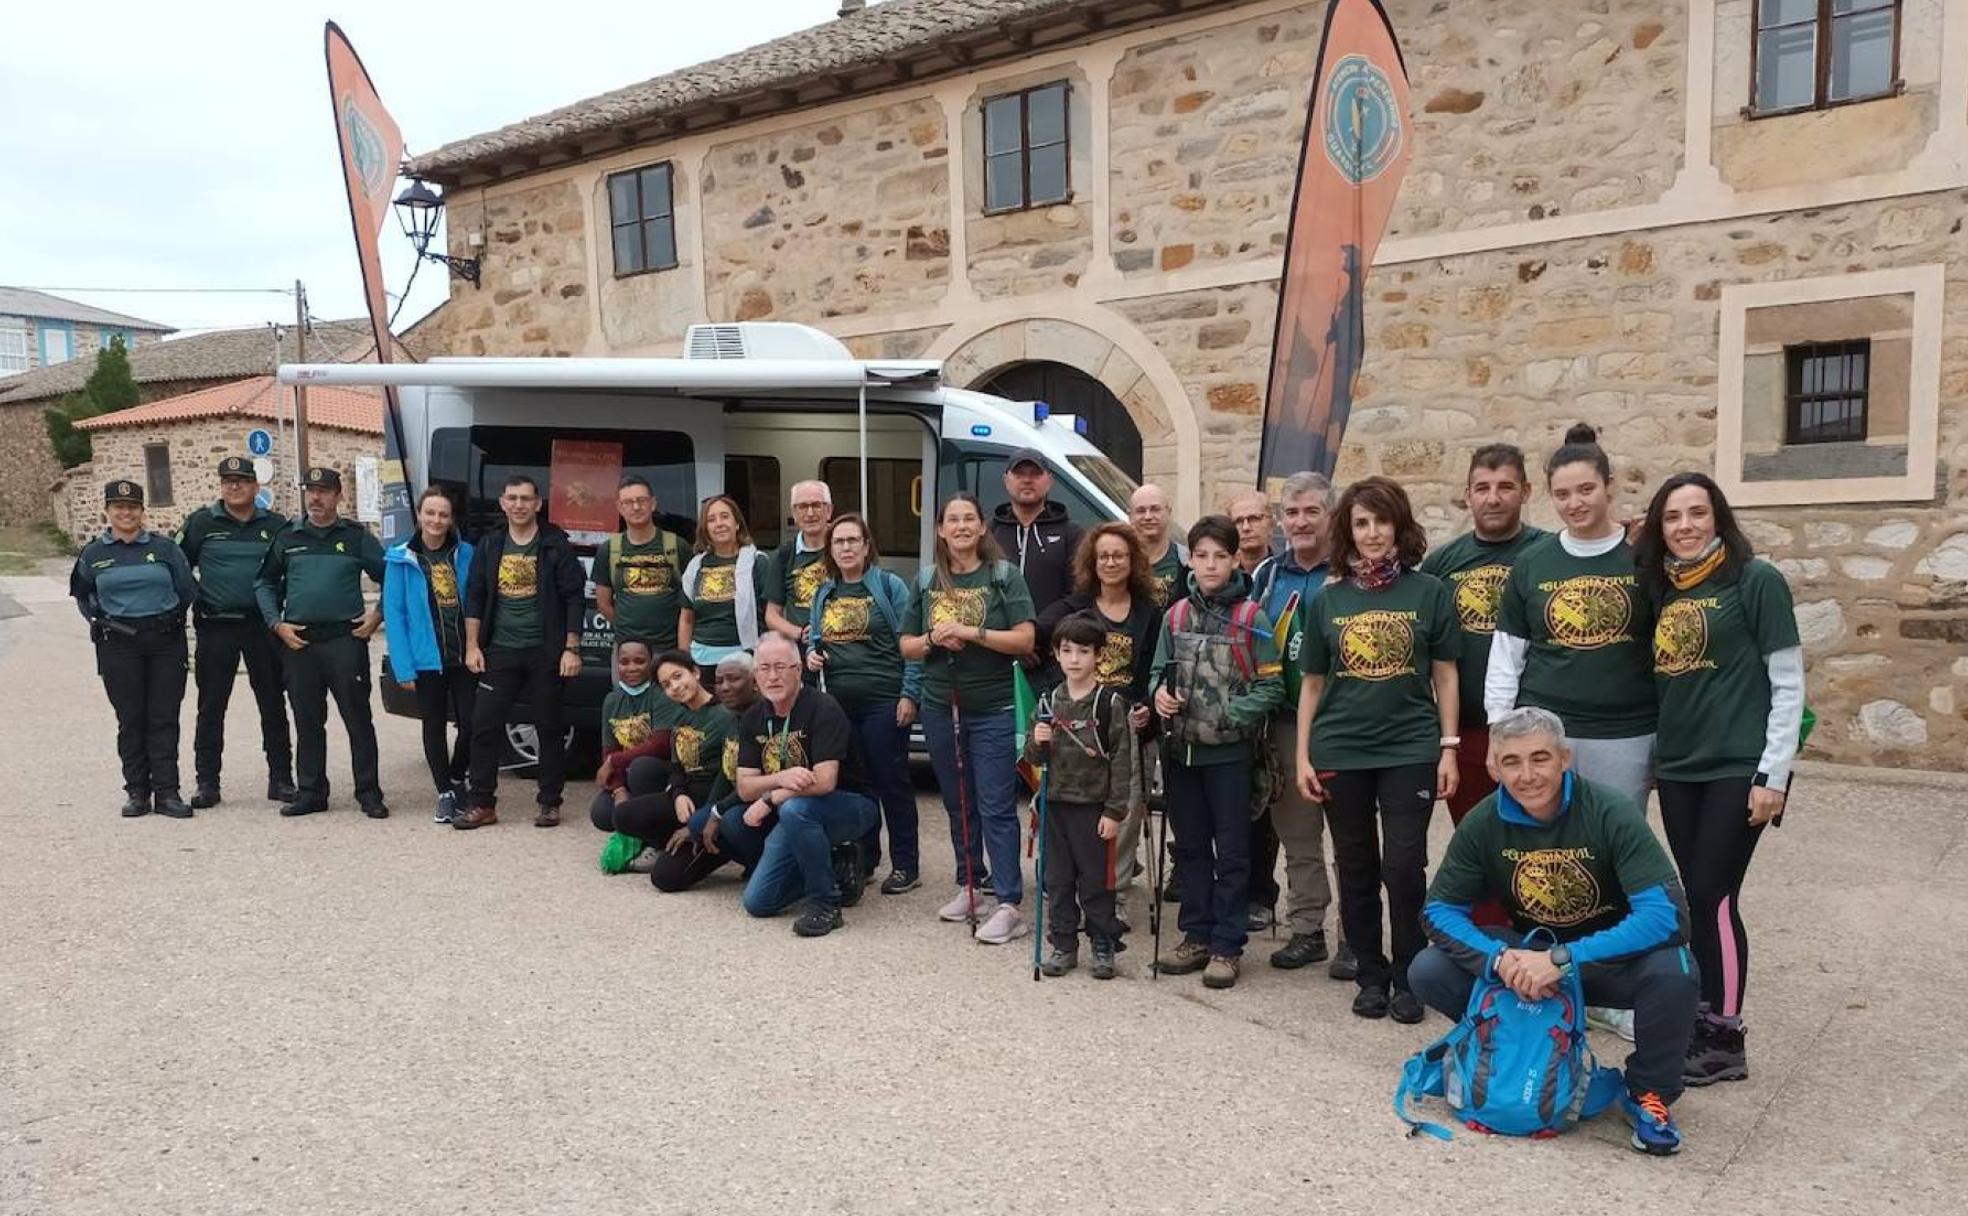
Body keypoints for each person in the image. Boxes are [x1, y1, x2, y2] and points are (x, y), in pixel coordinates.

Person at [1412, 706, 1698, 1157]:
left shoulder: (1609, 811)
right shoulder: (1484, 823)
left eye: (1539, 758)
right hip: (1530, 961)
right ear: (1494, 766)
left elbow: (1666, 916)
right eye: (1511, 762)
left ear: (1565, 758)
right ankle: (1509, 1044)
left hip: (1600, 961)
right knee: (1429, 969)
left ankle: (1649, 1092)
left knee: (1675, 968)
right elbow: (1439, 910)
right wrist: (1501, 960)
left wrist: (1563, 960)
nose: (1527, 775)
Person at [1635, 472, 1803, 1089]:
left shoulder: (1754, 580)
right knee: (1696, 897)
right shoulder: (1666, 592)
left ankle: (1726, 1036)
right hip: (1680, 768)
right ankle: (1702, 1017)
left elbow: (1787, 681)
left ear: (1718, 517)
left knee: (1715, 896)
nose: (1685, 526)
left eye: (1697, 513)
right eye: (1672, 516)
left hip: (1739, 766)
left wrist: (1773, 774)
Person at [1294, 476, 1460, 1022]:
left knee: (1405, 864)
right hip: (1341, 749)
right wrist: (1302, 757)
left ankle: (1410, 973)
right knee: (1357, 865)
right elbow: (1312, 685)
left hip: (1409, 746)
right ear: (1348, 530)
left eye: (1381, 521)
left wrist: (1449, 748)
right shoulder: (1328, 599)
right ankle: (1370, 973)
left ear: (1399, 526)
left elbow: (1445, 675)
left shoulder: (1430, 593)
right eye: (1361, 523)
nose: (1371, 533)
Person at [1486, 424, 1656, 817]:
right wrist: (1500, 730)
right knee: (1544, 843)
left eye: (1586, 490)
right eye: (1562, 494)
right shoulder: (1533, 562)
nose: (1575, 503)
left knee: (1615, 836)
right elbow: (1507, 655)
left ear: (1608, 486)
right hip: (1542, 732)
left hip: (1626, 732)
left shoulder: (1643, 557)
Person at [1150, 515, 1287, 990]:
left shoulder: (1253, 618)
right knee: (1189, 848)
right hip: (1182, 752)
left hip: (1229, 755)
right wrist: (1159, 697)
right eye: (1201, 555)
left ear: (1234, 560)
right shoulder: (1175, 616)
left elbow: (1273, 685)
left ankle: (1228, 944)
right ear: (1190, 558)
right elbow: (1155, 675)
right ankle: (1196, 933)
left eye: (1220, 556)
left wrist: (1232, 712)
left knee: (1232, 850)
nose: (1210, 565)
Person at [902, 492, 1038, 943]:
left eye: (969, 519)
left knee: (997, 805)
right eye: (952, 520)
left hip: (993, 708)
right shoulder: (926, 581)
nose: (960, 526)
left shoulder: (1004, 576)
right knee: (957, 801)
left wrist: (971, 633)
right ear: (940, 529)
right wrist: (934, 640)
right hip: (942, 706)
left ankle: (1008, 901)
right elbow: (906, 646)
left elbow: (1024, 640)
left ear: (982, 527)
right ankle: (970, 884)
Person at [1035, 522, 1161, 926]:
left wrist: (1149, 708)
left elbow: (1153, 671)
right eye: (1103, 555)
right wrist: (1056, 696)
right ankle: (1074, 893)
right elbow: (1039, 639)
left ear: (1132, 561)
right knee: (1080, 813)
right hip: (1080, 726)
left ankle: (1115, 894)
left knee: (1124, 811)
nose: (1110, 562)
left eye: (1119, 555)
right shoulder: (1073, 609)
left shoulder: (1148, 612)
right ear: (1091, 561)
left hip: (1129, 721)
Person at [1419, 444, 1547, 833]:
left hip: (1535, 726)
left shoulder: (1547, 553)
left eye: (1505, 487)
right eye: (1482, 488)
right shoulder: (1441, 565)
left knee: (1541, 839)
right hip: (1468, 728)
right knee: (1481, 839)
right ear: (1467, 494)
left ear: (1525, 492)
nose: (1493, 498)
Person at [254, 466, 388, 819]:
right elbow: (264, 583)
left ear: (338, 495)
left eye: (323, 491)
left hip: (345, 640)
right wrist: (276, 624)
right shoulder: (288, 537)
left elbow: (393, 577)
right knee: (307, 720)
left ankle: (369, 792)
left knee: (358, 719)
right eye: (310, 490)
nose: (315, 497)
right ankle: (311, 791)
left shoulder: (356, 537)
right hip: (301, 644)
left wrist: (377, 617)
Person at [1252, 472, 1346, 974]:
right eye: (1292, 513)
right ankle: (1307, 928)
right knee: (1298, 832)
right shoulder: (1268, 573)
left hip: (1346, 722)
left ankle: (1356, 935)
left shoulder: (1353, 569)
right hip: (1286, 720)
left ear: (1331, 515)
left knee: (1351, 835)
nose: (1301, 522)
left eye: (1312, 511)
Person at [454, 474, 585, 830]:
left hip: (546, 651)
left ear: (538, 503)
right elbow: (476, 595)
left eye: (526, 498)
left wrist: (571, 648)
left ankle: (549, 803)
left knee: (550, 727)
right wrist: (472, 646)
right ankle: (482, 803)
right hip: (500, 650)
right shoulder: (491, 544)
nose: (519, 504)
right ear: (502, 502)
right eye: (512, 498)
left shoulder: (555, 543)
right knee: (483, 725)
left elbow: (575, 595)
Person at [731, 634, 880, 937]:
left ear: (798, 669)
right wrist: (780, 779)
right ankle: (838, 865)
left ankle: (825, 902)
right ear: (755, 676)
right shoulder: (753, 717)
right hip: (796, 808)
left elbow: (825, 782)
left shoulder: (823, 707)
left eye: (781, 667)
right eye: (764, 668)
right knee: (758, 902)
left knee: (797, 810)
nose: (773, 676)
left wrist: (771, 798)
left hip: (849, 804)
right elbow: (745, 788)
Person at [806, 512, 923, 895]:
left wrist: (909, 694)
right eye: (838, 542)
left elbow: (913, 646)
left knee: (892, 784)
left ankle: (906, 864)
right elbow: (816, 640)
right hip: (838, 707)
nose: (846, 548)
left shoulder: (889, 587)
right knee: (857, 787)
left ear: (867, 545)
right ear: (830, 549)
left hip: (884, 703)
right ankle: (866, 858)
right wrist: (811, 654)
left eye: (853, 540)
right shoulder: (825, 592)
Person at [71, 479, 195, 819]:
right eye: (118, 507)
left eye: (132, 507)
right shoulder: (95, 553)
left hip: (164, 642)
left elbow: (186, 590)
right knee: (131, 719)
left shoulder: (165, 548)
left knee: (164, 717)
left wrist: (164, 619)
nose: (125, 512)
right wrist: (104, 622)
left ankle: (168, 793)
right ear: (108, 511)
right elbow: (83, 595)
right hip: (119, 645)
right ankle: (137, 792)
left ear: (142, 511)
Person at [1028, 614, 1142, 980]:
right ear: (1055, 655)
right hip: (1055, 805)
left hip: (1093, 809)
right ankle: (1063, 943)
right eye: (1066, 651)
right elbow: (1030, 758)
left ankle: (1103, 943)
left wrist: (1114, 811)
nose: (1074, 659)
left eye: (1083, 651)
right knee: (1058, 880)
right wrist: (1036, 741)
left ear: (1098, 656)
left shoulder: (1108, 704)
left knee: (1096, 882)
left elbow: (1122, 762)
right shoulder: (1048, 701)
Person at [177, 457, 293, 809]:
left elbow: (291, 569)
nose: (234, 486)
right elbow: (179, 567)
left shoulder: (276, 525)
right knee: (211, 706)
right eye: (228, 481)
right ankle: (207, 783)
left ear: (256, 487)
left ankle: (281, 779)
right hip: (216, 626)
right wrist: (198, 598)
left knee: (273, 703)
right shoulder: (201, 523)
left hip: (263, 627)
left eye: (242, 481)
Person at [383, 486, 479, 824]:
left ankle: (456, 775)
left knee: (471, 723)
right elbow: (394, 615)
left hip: (463, 655)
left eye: (443, 514)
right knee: (434, 725)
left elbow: (477, 601)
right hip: (426, 657)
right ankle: (445, 792)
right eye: (430, 513)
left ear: (451, 519)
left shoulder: (467, 553)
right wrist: (403, 667)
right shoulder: (400, 558)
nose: (436, 520)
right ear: (420, 515)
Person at [595, 650, 735, 878]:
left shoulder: (724, 716)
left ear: (696, 672)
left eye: (678, 676)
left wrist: (695, 825)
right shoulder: (678, 716)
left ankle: (718, 848)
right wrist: (678, 793)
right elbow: (675, 764)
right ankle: (665, 840)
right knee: (622, 816)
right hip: (685, 800)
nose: (675, 687)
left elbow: (726, 776)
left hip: (713, 806)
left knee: (664, 878)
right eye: (667, 685)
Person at [586, 638, 672, 837]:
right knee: (602, 813)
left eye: (640, 661)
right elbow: (609, 749)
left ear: (652, 663)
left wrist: (614, 761)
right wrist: (619, 790)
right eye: (624, 662)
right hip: (627, 773)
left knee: (642, 768)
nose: (631, 668)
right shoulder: (612, 700)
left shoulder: (662, 695)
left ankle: (654, 837)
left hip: (657, 772)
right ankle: (632, 828)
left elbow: (660, 745)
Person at [592, 474, 688, 650]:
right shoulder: (609, 550)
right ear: (619, 508)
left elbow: (690, 603)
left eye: (641, 500)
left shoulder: (676, 546)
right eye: (628, 502)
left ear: (653, 503)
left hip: (669, 648)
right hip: (628, 652)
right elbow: (603, 604)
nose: (636, 507)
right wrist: (627, 631)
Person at [678, 494, 767, 678]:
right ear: (705, 529)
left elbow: (771, 614)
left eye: (725, 516)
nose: (719, 523)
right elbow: (686, 618)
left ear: (737, 523)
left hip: (745, 660)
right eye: (711, 519)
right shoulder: (695, 566)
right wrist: (684, 662)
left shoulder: (758, 562)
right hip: (701, 661)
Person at [990, 448, 1082, 615]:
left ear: (1050, 480)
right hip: (996, 637)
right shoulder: (989, 533)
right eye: (1019, 474)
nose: (1027, 480)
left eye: (1035, 474)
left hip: (1051, 637)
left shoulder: (1071, 534)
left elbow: (1078, 593)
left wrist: (1041, 627)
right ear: (1006, 480)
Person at [765, 479, 834, 647]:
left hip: (843, 646)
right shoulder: (783, 556)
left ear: (829, 510)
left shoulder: (845, 549)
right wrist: (799, 633)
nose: (810, 513)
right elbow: (772, 615)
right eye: (802, 507)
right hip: (801, 650)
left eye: (816, 505)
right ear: (794, 513)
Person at [1128, 482, 1186, 606]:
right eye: (1141, 511)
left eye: (1155, 509)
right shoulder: (1122, 560)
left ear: (1169, 512)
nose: (1148, 516)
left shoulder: (1186, 561)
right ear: (1131, 516)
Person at [1225, 488, 1276, 576]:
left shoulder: (1284, 574)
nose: (1246, 527)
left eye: (1254, 519)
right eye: (1239, 521)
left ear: (1271, 523)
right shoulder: (1223, 578)